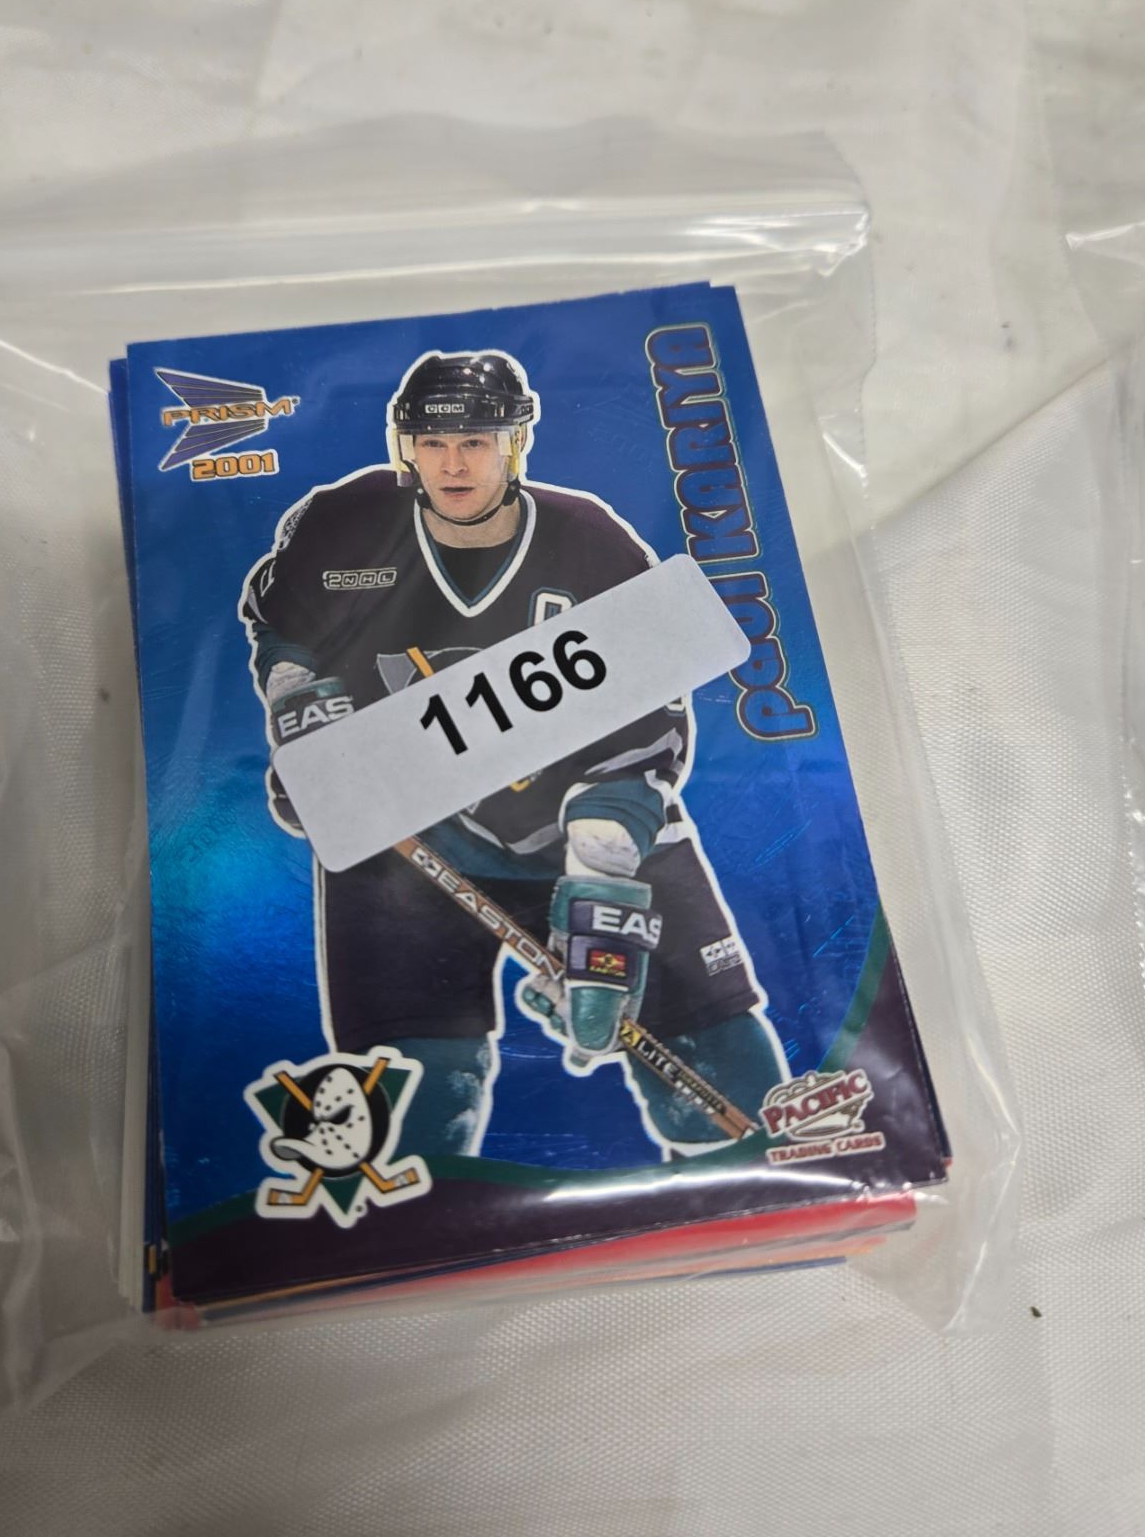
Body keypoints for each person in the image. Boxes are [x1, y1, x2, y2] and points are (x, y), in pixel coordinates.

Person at [241, 349, 787, 1155]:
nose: (453, 464)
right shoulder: (343, 522)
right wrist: (301, 711)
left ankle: (761, 1171)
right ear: (405, 447)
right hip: (410, 836)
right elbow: (283, 628)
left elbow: (651, 708)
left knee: (723, 1082)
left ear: (516, 443)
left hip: (593, 818)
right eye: (433, 444)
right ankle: (426, 1217)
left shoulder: (589, 539)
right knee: (412, 1113)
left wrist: (603, 888)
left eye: (476, 441)